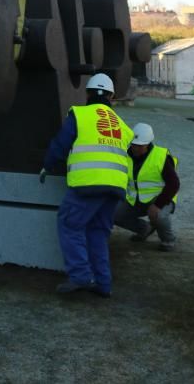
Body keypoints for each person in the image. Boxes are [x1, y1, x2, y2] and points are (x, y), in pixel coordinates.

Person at [40, 73, 134, 297]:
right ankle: (103, 284)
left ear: (88, 93)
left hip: (88, 184)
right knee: (98, 233)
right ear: (111, 96)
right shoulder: (123, 126)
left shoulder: (80, 115)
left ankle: (80, 276)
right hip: (115, 188)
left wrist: (48, 165)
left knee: (70, 225)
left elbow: (62, 143)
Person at [114, 122, 180, 252]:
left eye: (140, 146)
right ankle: (145, 229)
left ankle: (168, 240)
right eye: (133, 144)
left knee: (159, 215)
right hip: (134, 199)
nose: (135, 148)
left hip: (159, 199)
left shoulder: (161, 157)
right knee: (112, 214)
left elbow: (174, 184)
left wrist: (158, 205)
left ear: (148, 143)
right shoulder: (124, 156)